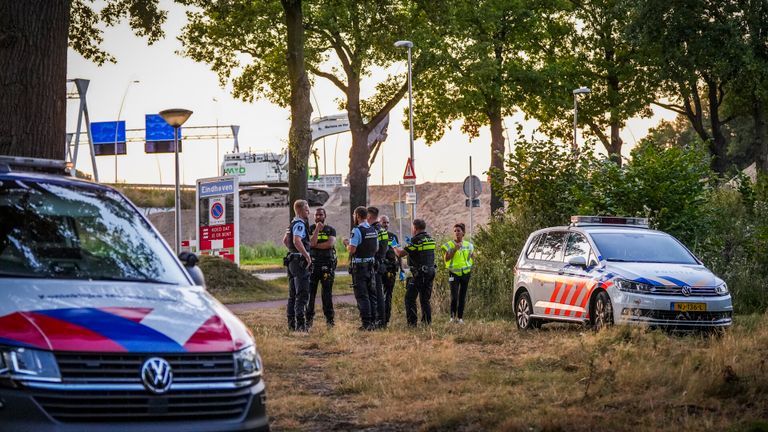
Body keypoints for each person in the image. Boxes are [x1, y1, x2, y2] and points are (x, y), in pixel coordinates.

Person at [394, 219, 436, 326]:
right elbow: (421, 252)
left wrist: (394, 245)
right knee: (425, 299)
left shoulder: (416, 240)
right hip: (430, 272)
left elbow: (400, 254)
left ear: (415, 228)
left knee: (409, 298)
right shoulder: (430, 238)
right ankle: (427, 322)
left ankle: (412, 323)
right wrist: (410, 244)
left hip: (420, 274)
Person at [343, 206, 379, 330]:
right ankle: (374, 321)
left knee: (362, 295)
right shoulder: (373, 230)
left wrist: (347, 244)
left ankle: (366, 323)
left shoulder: (357, 230)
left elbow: (352, 249)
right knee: (372, 295)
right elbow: (376, 248)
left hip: (360, 267)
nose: (354, 217)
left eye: (354, 215)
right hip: (371, 266)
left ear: (358, 216)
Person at [283, 200, 312, 332]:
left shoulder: (292, 223)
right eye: (306, 210)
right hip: (299, 263)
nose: (309, 212)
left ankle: (291, 325)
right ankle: (301, 326)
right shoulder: (300, 224)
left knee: (292, 294)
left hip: (291, 261)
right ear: (300, 210)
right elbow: (296, 240)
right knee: (302, 294)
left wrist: (293, 251)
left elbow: (285, 240)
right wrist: (306, 255)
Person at [307, 207, 336, 328]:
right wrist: (317, 231)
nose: (318, 217)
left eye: (321, 215)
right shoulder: (311, 229)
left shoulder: (331, 229)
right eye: (316, 215)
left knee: (327, 294)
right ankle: (308, 321)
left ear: (325, 216)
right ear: (314, 217)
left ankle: (330, 321)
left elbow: (329, 244)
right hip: (313, 265)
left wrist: (315, 245)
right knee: (310, 295)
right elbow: (311, 243)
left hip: (327, 265)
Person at [441, 223, 475, 323]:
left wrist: (470, 264)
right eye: (455, 231)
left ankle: (460, 318)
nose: (456, 233)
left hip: (465, 274)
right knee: (454, 296)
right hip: (453, 273)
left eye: (458, 231)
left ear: (463, 233)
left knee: (462, 296)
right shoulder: (449, 245)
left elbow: (472, 257)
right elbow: (446, 258)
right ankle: (452, 317)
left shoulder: (469, 245)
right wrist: (455, 250)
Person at [367, 206, 388, 328]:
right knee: (379, 294)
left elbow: (373, 249)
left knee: (375, 294)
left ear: (369, 216)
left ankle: (378, 321)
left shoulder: (372, 230)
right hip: (381, 263)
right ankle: (382, 320)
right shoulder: (382, 230)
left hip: (374, 264)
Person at [380, 215, 402, 326]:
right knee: (378, 295)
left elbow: (398, 253)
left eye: (387, 222)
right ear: (379, 223)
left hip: (391, 269)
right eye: (384, 222)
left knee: (388, 295)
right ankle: (378, 318)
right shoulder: (376, 235)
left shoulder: (392, 237)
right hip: (379, 269)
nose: (386, 225)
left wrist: (402, 269)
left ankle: (385, 320)